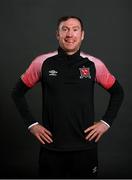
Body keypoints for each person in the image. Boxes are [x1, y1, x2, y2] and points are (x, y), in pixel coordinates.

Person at [11, 16, 124, 178]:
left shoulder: (93, 64)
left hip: (85, 148)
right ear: (57, 34)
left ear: (82, 34)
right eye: (65, 29)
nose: (70, 34)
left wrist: (106, 122)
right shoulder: (42, 62)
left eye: (75, 29)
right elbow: (17, 93)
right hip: (51, 148)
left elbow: (118, 92)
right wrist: (32, 124)